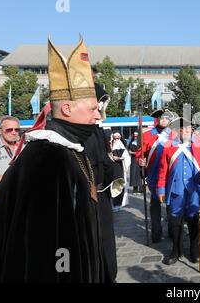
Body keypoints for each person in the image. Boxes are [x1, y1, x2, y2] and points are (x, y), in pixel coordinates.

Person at [0, 37, 105, 282]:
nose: (99, 115)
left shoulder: (72, 150)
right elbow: (42, 250)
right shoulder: (48, 158)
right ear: (67, 109)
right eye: (94, 108)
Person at [157, 118, 200, 265]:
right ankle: (176, 250)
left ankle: (194, 250)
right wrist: (161, 189)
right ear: (178, 132)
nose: (187, 132)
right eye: (183, 130)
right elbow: (163, 170)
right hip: (175, 190)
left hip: (194, 190)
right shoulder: (169, 146)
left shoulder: (199, 144)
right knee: (175, 222)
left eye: (189, 129)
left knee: (193, 220)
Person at [83, 83, 123, 283]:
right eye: (99, 104)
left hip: (102, 194)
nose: (100, 110)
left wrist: (113, 166)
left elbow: (104, 162)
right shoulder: (82, 134)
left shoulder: (97, 131)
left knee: (106, 241)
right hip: (88, 199)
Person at [136, 109, 175, 243]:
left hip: (170, 176)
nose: (163, 121)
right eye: (161, 118)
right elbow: (140, 153)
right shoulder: (147, 135)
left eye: (166, 118)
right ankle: (156, 233)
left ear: (169, 120)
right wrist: (140, 160)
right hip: (153, 175)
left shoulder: (174, 135)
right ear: (156, 120)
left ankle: (172, 230)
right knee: (155, 206)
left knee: (171, 205)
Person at [0, 116, 20, 204]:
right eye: (9, 130)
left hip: (20, 196)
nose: (14, 133)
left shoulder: (25, 147)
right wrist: (4, 177)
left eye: (17, 130)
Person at [111, 132, 131, 211]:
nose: (117, 140)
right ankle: (115, 204)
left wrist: (119, 158)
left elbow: (126, 159)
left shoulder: (122, 147)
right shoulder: (111, 146)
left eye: (118, 138)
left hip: (120, 169)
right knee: (114, 186)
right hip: (114, 169)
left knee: (119, 185)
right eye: (115, 138)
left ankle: (118, 204)